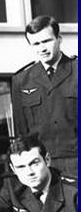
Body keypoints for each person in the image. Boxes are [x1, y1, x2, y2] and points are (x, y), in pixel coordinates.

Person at [11, 15, 77, 177]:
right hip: (42, 166)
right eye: (36, 44)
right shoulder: (21, 80)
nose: (42, 48)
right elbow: (22, 131)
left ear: (59, 39)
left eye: (47, 41)